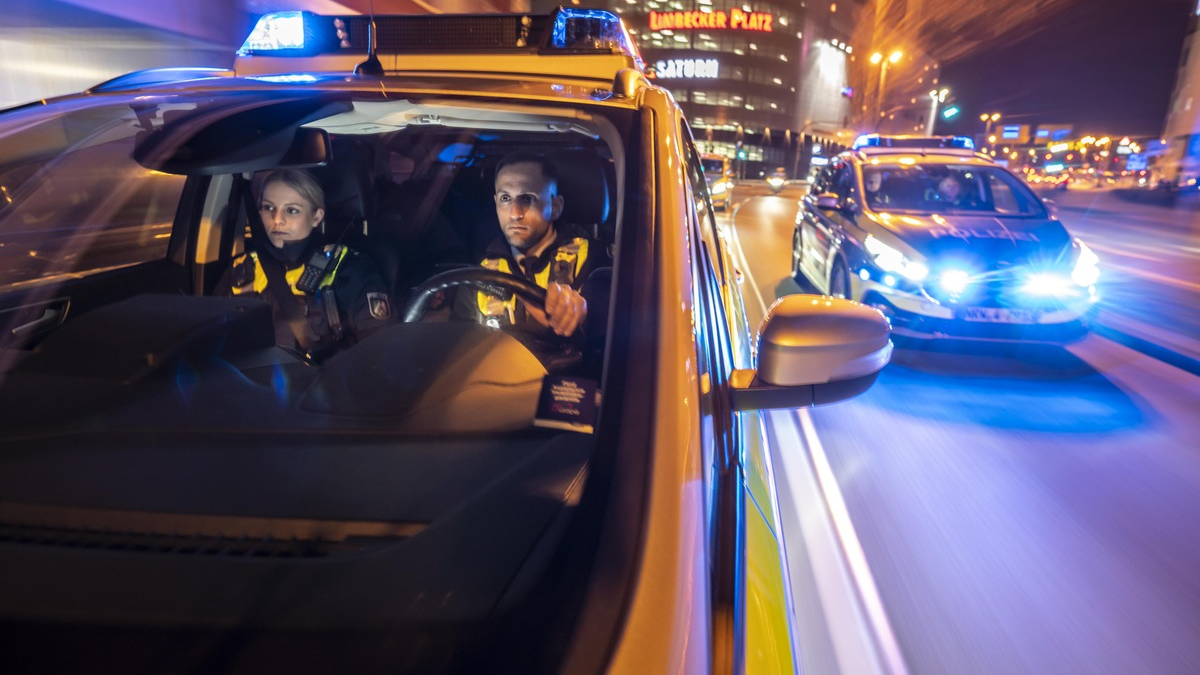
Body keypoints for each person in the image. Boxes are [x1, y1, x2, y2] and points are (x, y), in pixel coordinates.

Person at [218, 168, 393, 359]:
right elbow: (212, 337)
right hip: (246, 383)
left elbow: (380, 354)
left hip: (323, 384)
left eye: (291, 210)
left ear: (316, 217)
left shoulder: (349, 270)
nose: (277, 220)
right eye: (269, 208)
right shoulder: (242, 269)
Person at [462, 151, 598, 343]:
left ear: (556, 206)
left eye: (527, 198)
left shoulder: (592, 261)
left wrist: (583, 314)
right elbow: (460, 347)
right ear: (495, 203)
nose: (515, 213)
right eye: (506, 198)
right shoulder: (481, 273)